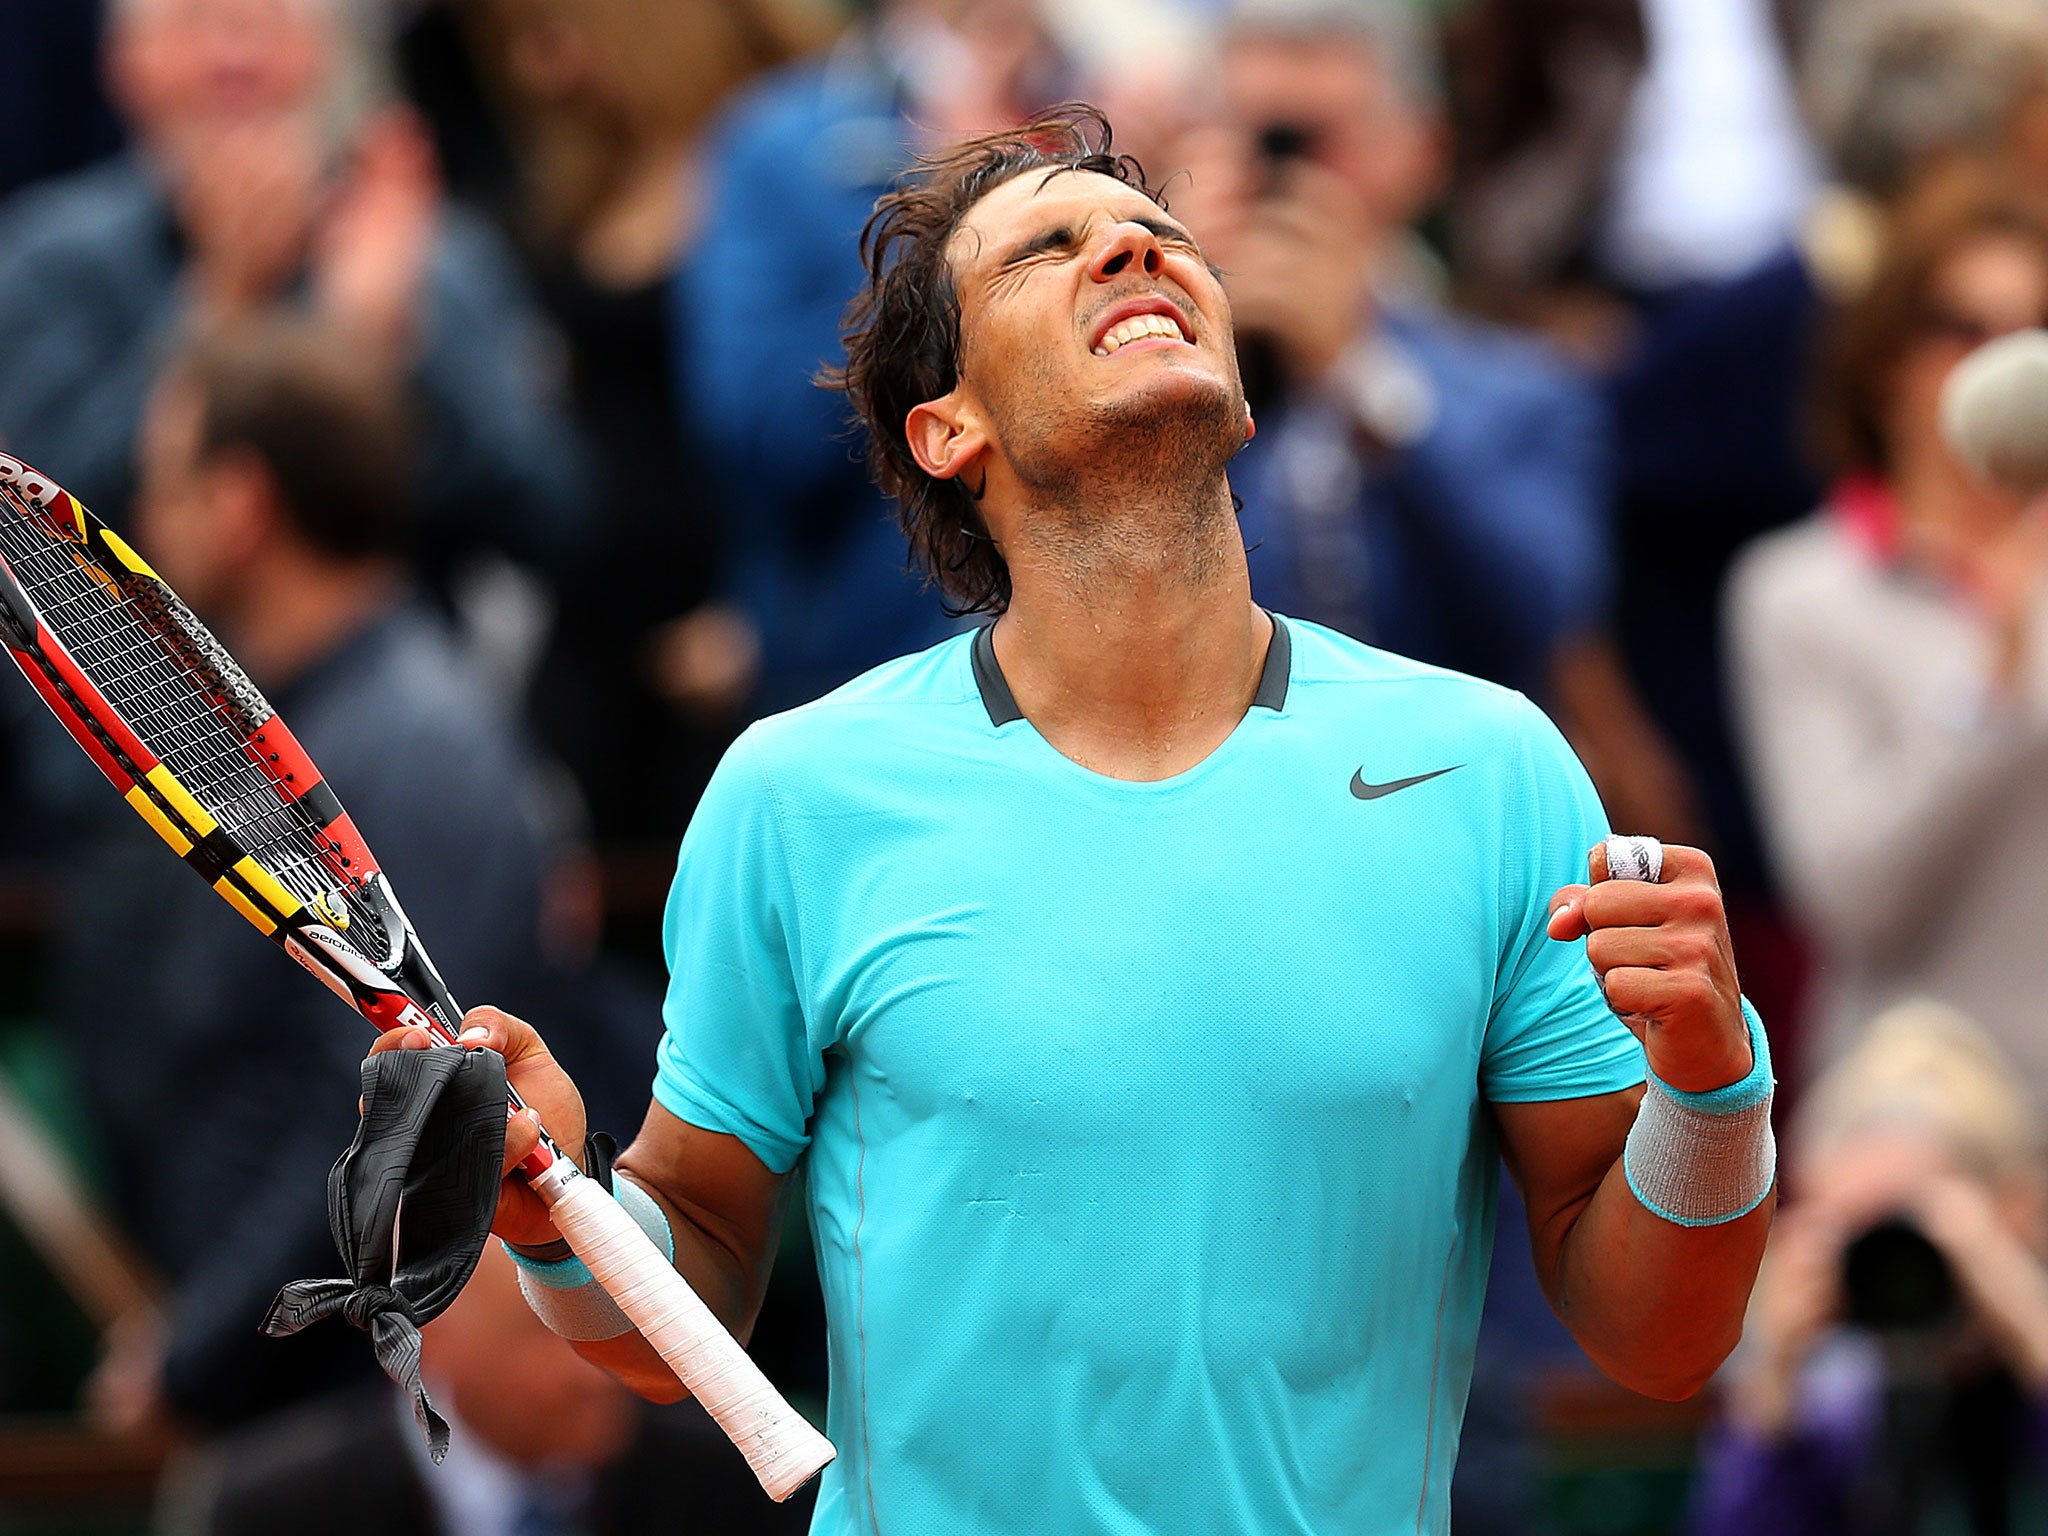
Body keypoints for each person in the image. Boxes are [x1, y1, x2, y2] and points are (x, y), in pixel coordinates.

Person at [376, 108, 1773, 1532]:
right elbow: (703, 1260)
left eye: (1163, 239)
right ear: (947, 428)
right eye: (1048, 250)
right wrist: (561, 1216)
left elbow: (1658, 1339)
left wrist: (1713, 1090)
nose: (1131, 245)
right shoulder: (799, 796)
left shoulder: (1490, 768)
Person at [63, 316, 567, 1432]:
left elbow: (373, 1130)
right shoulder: (319, 726)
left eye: (163, 483)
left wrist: (196, 1359)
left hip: (348, 1420)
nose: (143, 522)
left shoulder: (416, 750)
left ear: (239, 505)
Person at [1171, 0, 1702, 844]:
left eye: (1312, 143)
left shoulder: (1522, 385)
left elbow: (1547, 608)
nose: (1283, 179)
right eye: (1253, 140)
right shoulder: (1147, 377)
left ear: (1419, 153)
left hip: (1449, 825)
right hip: (1210, 824)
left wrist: (1361, 378)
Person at [0, 0, 586, 587]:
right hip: (129, 665)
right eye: (194, 25)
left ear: (322, 55)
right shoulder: (49, 258)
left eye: (266, 25)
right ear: (124, 62)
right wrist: (218, 307)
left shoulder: (427, 251)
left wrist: (390, 345)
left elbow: (550, 518)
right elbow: (42, 533)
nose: (234, 59)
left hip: (378, 664)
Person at [1728, 168, 2048, 1104]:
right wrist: (1991, 683)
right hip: (1912, 1114)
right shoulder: (1800, 593)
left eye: (2037, 329)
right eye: (1965, 328)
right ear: (1882, 365)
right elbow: (1851, 898)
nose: (2010, 364)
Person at [675, 0, 1071, 711]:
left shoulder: (1131, 111)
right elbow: (758, 437)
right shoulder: (785, 143)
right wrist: (953, 205)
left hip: (1114, 666)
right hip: (878, 675)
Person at [1689, 1001, 2048, 1535]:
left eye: (1907, 1227)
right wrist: (1771, 1386)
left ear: (2018, 1211)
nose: (1889, 1265)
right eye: (1859, 1235)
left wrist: (2029, 1327)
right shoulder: (1834, 1407)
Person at [167, 1243, 816, 1536]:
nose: (596, 1374)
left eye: (621, 1328)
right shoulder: (272, 1513)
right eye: (552, 1337)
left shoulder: (738, 1488)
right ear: (426, 1336)